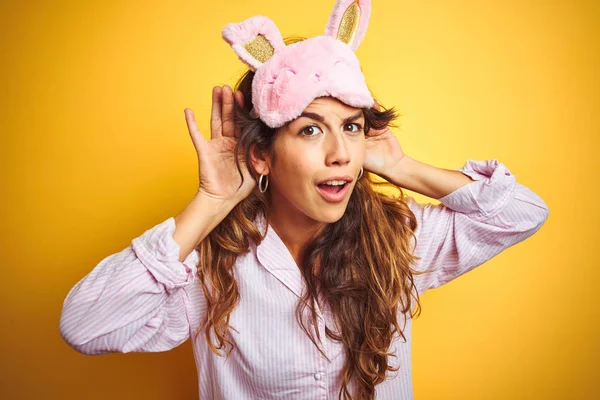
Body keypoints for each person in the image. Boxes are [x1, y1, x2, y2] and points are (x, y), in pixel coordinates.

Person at [59, 1, 549, 399]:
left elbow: (523, 212)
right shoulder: (212, 266)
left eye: (351, 127)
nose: (340, 154)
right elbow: (84, 325)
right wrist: (211, 202)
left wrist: (402, 168)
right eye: (311, 129)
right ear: (262, 156)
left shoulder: (400, 238)